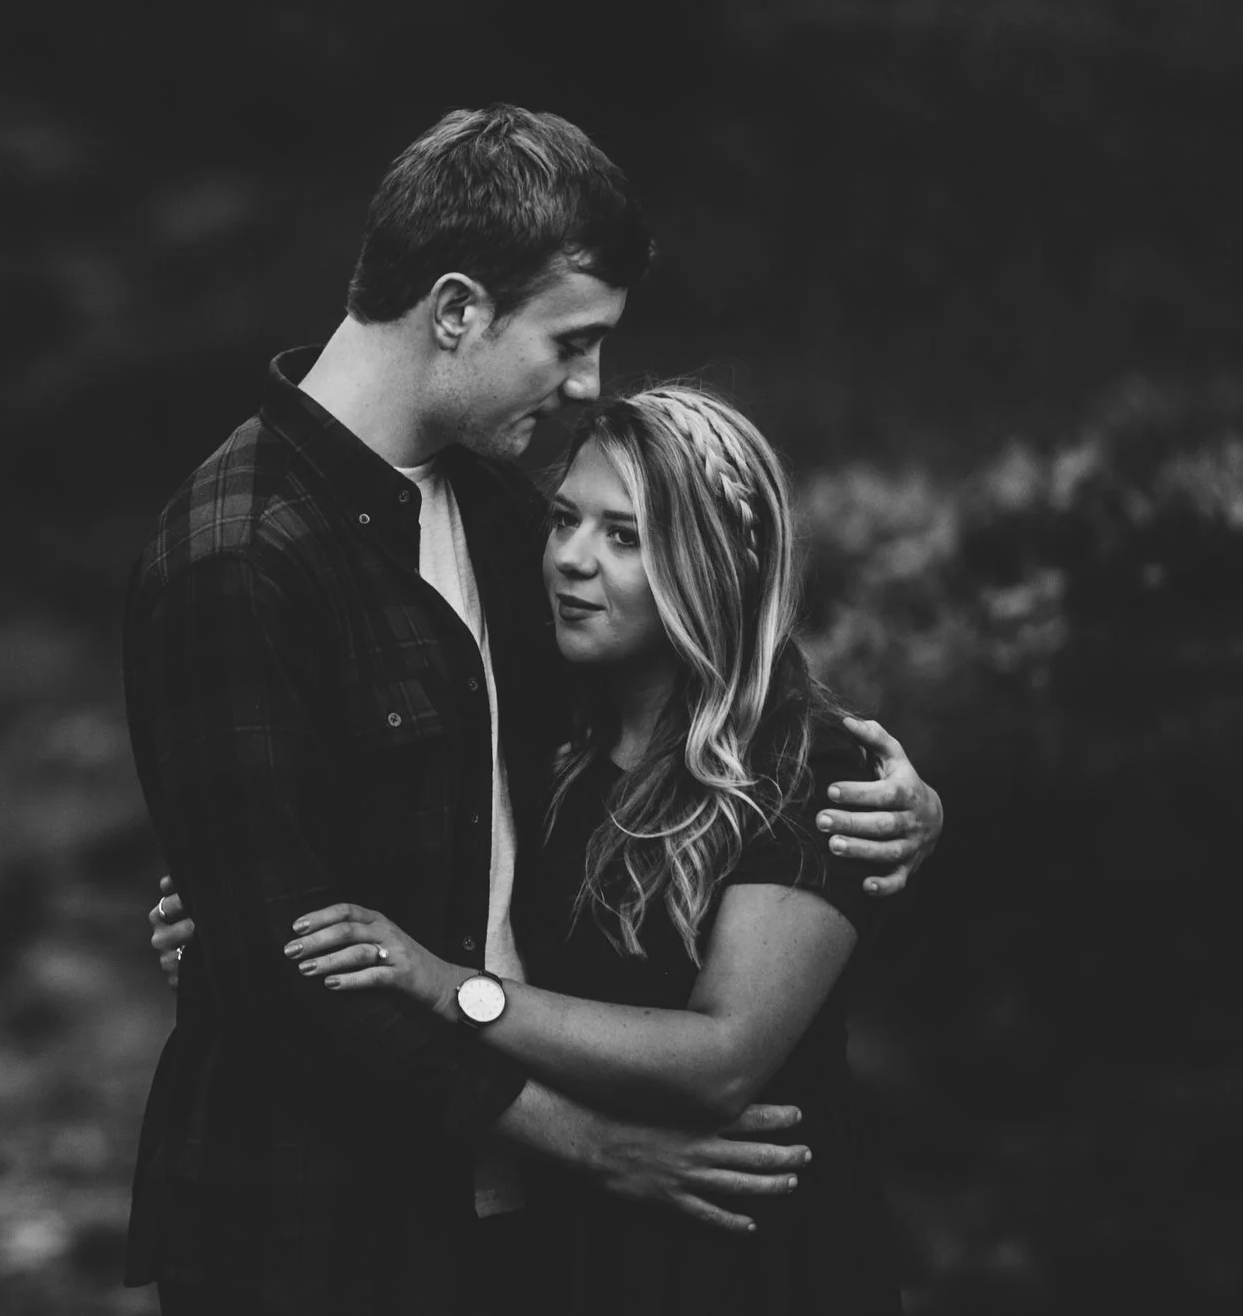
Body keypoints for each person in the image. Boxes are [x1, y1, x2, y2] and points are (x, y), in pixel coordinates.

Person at [123, 106, 941, 1316]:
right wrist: (587, 1140)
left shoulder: (504, 514)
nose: (588, 383)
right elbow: (280, 975)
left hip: (521, 1237)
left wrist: (895, 797)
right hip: (320, 1236)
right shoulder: (239, 554)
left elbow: (707, 658)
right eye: (571, 340)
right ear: (456, 309)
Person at [283, 386, 903, 1312]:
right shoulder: (556, 746)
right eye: (566, 519)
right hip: (577, 1242)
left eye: (624, 536)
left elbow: (722, 1059)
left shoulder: (808, 768)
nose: (569, 559)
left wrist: (451, 988)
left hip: (749, 1257)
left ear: (715, 567)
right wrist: (234, 910)